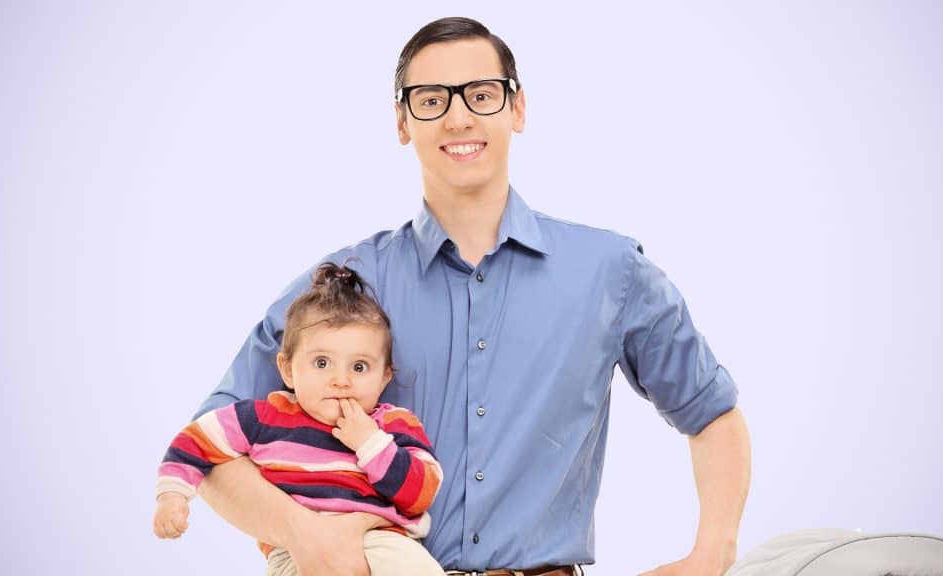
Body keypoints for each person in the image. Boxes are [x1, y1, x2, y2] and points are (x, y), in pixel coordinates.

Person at [196, 16, 752, 576]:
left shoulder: (609, 271)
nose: (459, 117)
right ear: (401, 120)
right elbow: (206, 445)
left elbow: (711, 413)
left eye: (481, 95)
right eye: (431, 98)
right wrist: (305, 535)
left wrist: (713, 553)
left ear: (517, 108)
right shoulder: (347, 283)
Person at [153, 263, 446, 576]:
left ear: (384, 377)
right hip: (293, 552)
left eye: (359, 367)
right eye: (322, 363)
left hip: (382, 543)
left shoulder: (392, 424)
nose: (341, 380)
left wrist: (371, 443)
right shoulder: (263, 418)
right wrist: (172, 494)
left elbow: (421, 494)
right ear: (288, 369)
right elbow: (197, 439)